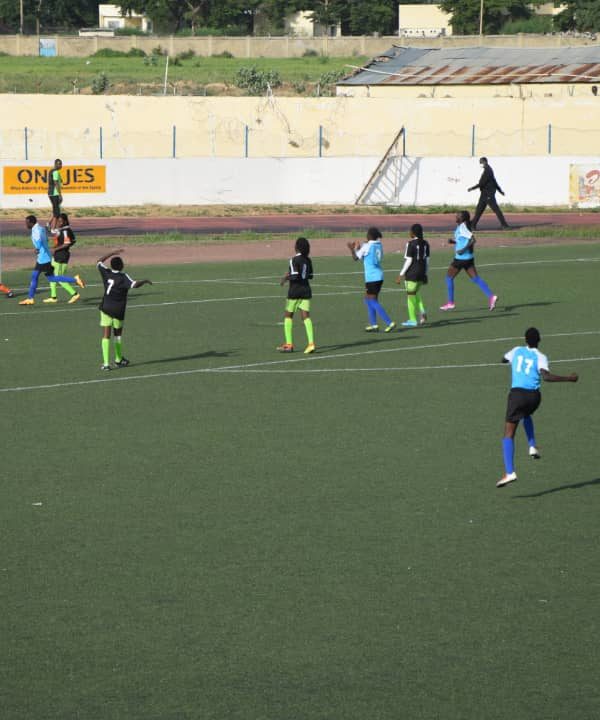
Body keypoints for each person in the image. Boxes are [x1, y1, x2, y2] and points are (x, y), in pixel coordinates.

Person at [497, 327, 578, 488]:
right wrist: (568, 378)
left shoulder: (516, 350)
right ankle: (532, 446)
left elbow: (503, 359)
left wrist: (510, 360)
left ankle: (509, 472)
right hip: (534, 397)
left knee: (508, 434)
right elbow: (546, 377)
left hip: (517, 395)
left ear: (525, 339)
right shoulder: (541, 356)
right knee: (526, 414)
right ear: (539, 340)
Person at [97, 249, 152, 370]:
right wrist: (145, 281)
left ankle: (106, 364)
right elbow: (135, 285)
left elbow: (99, 261)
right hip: (118, 310)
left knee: (106, 335)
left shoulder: (106, 272)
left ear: (111, 265)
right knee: (117, 334)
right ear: (122, 266)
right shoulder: (123, 277)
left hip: (106, 307)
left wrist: (112, 253)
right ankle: (118, 359)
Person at [19, 215, 85, 306]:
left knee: (37, 276)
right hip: (45, 257)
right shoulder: (40, 228)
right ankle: (32, 298)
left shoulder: (37, 230)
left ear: (31, 222)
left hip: (43, 258)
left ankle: (31, 298)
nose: (25, 224)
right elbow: (47, 236)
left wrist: (37, 248)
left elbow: (39, 241)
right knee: (50, 278)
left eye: (26, 223)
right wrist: (53, 217)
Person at [439, 210, 498, 312]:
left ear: (462, 218)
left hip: (460, 259)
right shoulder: (462, 226)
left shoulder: (462, 227)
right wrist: (453, 242)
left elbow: (472, 240)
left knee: (448, 278)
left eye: (458, 215)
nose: (456, 216)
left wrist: (462, 250)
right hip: (469, 258)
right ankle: (491, 296)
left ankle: (450, 303)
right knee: (475, 279)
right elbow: (463, 239)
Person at [347, 227, 396, 333]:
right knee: (368, 299)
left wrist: (352, 249)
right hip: (379, 276)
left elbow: (355, 258)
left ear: (370, 236)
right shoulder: (378, 245)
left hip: (372, 278)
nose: (366, 236)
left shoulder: (367, 246)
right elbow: (367, 256)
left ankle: (389, 322)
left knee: (371, 300)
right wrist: (360, 248)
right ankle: (374, 324)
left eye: (367, 234)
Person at [277, 237, 315, 354]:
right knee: (306, 317)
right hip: (306, 291)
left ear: (296, 247)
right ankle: (311, 343)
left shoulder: (293, 260)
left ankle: (289, 344)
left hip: (295, 291)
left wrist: (285, 278)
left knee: (288, 316)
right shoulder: (308, 260)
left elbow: (294, 276)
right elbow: (310, 276)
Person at [395, 223, 430, 328]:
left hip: (412, 274)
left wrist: (400, 275)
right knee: (416, 293)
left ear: (413, 233)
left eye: (410, 231)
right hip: (421, 273)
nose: (409, 232)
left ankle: (413, 319)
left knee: (410, 297)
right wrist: (425, 274)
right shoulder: (426, 243)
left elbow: (409, 260)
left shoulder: (410, 244)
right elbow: (427, 260)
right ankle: (423, 312)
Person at [45, 213, 80, 304]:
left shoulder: (65, 231)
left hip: (62, 256)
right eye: (58, 221)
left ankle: (74, 294)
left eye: (60, 221)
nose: (59, 223)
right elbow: (49, 229)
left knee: (59, 278)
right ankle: (53, 297)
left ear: (64, 221)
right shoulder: (62, 229)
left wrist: (55, 249)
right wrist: (53, 217)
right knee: (51, 275)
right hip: (57, 255)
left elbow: (67, 243)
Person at [468, 157, 509, 230]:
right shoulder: (488, 170)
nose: (480, 164)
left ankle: (504, 225)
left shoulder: (488, 171)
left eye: (481, 162)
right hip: (484, 194)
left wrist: (472, 188)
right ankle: (473, 225)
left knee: (496, 209)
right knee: (479, 210)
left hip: (488, 194)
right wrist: (500, 191)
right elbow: (494, 182)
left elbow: (481, 183)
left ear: (485, 162)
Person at [47, 159, 63, 231]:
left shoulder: (51, 171)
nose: (60, 165)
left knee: (55, 210)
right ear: (55, 164)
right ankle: (53, 229)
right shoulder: (55, 172)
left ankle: (49, 224)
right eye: (59, 164)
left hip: (51, 193)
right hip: (55, 193)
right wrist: (60, 194)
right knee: (57, 212)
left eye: (61, 164)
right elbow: (56, 183)